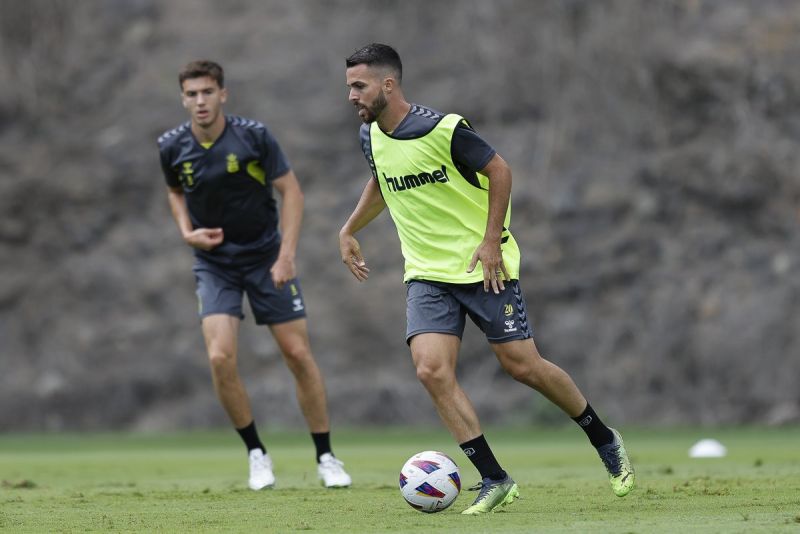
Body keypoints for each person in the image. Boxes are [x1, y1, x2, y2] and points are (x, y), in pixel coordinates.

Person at [339, 44, 634, 514]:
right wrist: (350, 228)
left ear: (388, 85)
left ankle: (604, 438)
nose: (352, 95)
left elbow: (500, 170)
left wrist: (491, 240)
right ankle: (494, 478)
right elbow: (383, 180)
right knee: (430, 370)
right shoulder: (370, 136)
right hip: (426, 274)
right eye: (350, 86)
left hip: (483, 267)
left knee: (522, 366)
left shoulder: (444, 129)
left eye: (359, 86)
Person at [157, 60, 351, 490]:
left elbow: (292, 192)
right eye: (192, 94)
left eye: (207, 92)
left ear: (223, 94)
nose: (200, 101)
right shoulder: (171, 146)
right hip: (215, 264)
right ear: (183, 99)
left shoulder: (254, 137)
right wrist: (186, 231)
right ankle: (256, 454)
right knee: (219, 357)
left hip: (266, 257)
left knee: (297, 354)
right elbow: (174, 191)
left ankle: (326, 456)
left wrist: (286, 255)